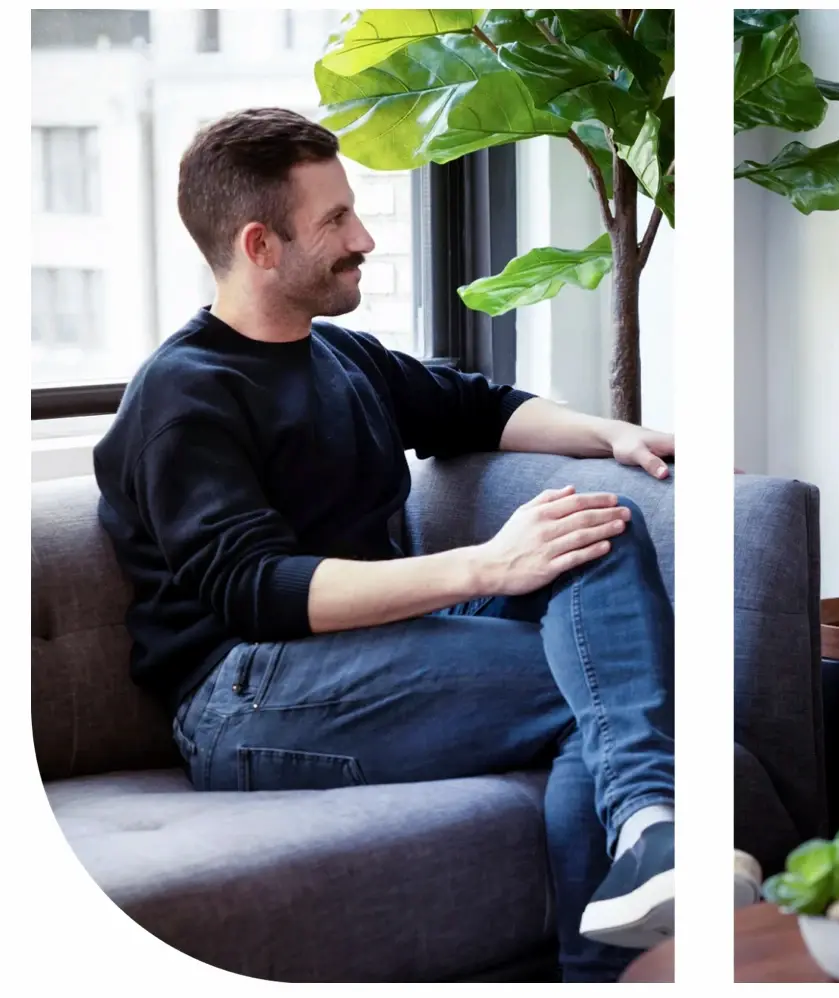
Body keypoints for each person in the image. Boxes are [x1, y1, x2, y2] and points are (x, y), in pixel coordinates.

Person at [92, 108, 676, 981]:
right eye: (334, 221)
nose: (363, 237)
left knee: (589, 533)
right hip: (244, 690)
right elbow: (256, 589)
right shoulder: (183, 396)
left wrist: (613, 434)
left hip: (365, 646)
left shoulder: (339, 356)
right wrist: (486, 565)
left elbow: (477, 405)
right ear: (259, 245)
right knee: (603, 683)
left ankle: (648, 837)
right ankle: (620, 927)